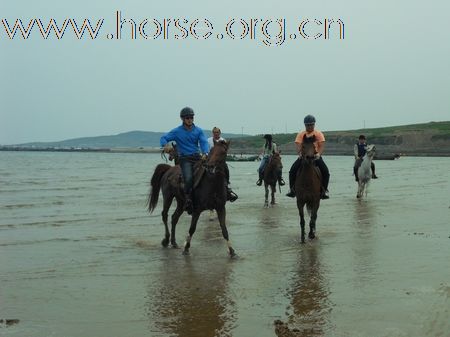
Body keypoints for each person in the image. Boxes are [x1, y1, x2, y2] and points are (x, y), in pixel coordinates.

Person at [160, 107, 209, 214]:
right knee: (189, 177)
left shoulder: (198, 131)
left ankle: (225, 191)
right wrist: (165, 145)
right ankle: (188, 200)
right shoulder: (177, 131)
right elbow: (163, 138)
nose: (190, 119)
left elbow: (204, 142)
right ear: (182, 119)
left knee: (212, 171)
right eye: (187, 117)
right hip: (184, 159)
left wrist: (205, 153)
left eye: (191, 117)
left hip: (197, 157)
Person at [286, 115, 330, 199]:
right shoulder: (301, 134)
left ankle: (324, 190)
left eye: (311, 124)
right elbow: (298, 146)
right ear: (305, 125)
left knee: (326, 171)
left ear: (314, 124)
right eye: (308, 125)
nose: (310, 126)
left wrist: (318, 154)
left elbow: (321, 146)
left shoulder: (318, 134)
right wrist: (299, 153)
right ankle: (292, 189)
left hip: (315, 156)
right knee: (292, 170)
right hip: (304, 156)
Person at [207, 127, 238, 202]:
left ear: (219, 133)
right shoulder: (208, 140)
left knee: (226, 170)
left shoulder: (223, 140)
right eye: (214, 132)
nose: (216, 134)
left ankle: (227, 186)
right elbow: (206, 149)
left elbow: (225, 151)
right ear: (212, 133)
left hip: (220, 162)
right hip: (210, 160)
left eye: (217, 132)